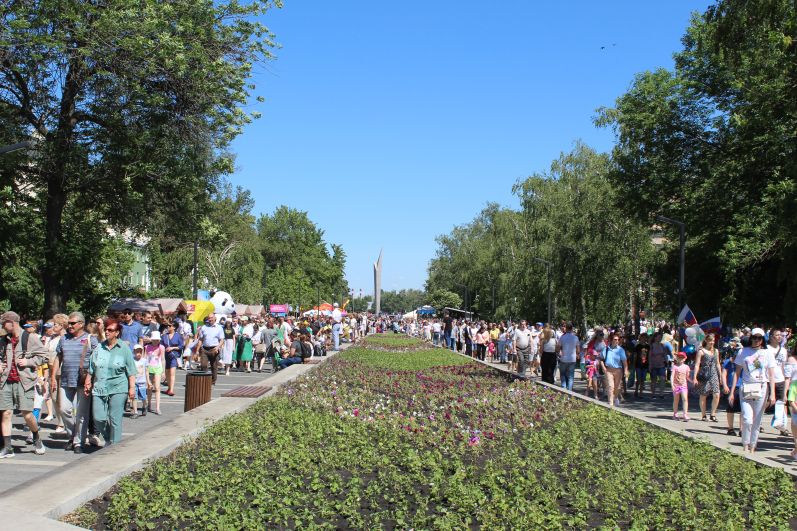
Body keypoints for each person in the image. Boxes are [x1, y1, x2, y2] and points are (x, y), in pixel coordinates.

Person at [0, 311, 48, 458]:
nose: (2, 326)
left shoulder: (30, 337)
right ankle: (8, 448)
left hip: (24, 381)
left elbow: (44, 356)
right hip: (6, 381)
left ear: (11, 322)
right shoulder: (3, 340)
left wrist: (28, 362)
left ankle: (36, 437)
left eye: (3, 323)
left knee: (27, 415)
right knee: (6, 413)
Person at [52, 312, 99, 453]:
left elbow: (97, 359)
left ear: (81, 324)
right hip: (66, 379)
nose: (70, 325)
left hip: (84, 380)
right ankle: (74, 435)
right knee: (64, 409)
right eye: (69, 323)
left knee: (81, 414)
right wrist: (53, 376)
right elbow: (58, 358)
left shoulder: (91, 339)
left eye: (73, 323)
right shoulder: (64, 339)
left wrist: (92, 378)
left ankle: (78, 442)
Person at [86, 319, 136, 446]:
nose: (107, 332)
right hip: (99, 387)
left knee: (115, 419)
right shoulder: (99, 347)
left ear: (117, 333)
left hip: (118, 387)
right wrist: (88, 381)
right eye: (106, 329)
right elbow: (91, 367)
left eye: (110, 330)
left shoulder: (124, 349)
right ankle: (109, 439)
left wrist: (132, 388)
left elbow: (131, 371)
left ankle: (115, 447)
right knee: (98, 418)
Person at [729, 328, 777, 453]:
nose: (756, 340)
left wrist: (773, 393)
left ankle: (753, 445)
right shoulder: (743, 351)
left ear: (762, 340)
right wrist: (732, 391)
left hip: (761, 387)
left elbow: (771, 374)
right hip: (746, 387)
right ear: (751, 338)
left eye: (759, 338)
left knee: (757, 419)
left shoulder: (767, 353)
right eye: (754, 338)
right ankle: (745, 443)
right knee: (747, 418)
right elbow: (737, 373)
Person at [693, 333, 722, 422]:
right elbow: (697, 364)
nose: (712, 342)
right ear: (706, 341)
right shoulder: (701, 351)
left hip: (714, 374)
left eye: (713, 340)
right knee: (703, 394)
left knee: (716, 394)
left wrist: (720, 376)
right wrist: (694, 377)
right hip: (705, 374)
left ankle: (713, 414)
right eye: (710, 340)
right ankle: (703, 415)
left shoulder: (716, 351)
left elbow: (718, 364)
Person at [767, 329, 789, 436]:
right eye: (777, 335)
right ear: (771, 336)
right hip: (768, 379)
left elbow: (784, 366)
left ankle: (781, 426)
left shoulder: (784, 350)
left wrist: (786, 380)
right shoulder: (766, 349)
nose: (779, 337)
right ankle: (758, 423)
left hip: (780, 379)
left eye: (780, 335)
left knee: (781, 402)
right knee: (766, 402)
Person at [721, 337, 743, 436]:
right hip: (730, 387)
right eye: (735, 351)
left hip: (742, 386)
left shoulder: (744, 362)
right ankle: (730, 428)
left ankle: (742, 429)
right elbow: (724, 374)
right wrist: (725, 385)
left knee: (743, 409)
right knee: (730, 408)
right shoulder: (728, 362)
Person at [600, 333, 628, 408]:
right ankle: (611, 403)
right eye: (615, 339)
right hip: (609, 370)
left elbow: (624, 361)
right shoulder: (606, 349)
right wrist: (604, 368)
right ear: (611, 340)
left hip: (618, 370)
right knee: (610, 386)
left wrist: (625, 370)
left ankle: (615, 398)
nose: (617, 341)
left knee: (617, 387)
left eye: (618, 340)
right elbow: (601, 359)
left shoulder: (620, 350)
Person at [198, 315, 225, 385]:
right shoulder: (204, 327)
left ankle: (213, 381)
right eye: (209, 318)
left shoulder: (219, 328)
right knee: (203, 365)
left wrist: (218, 347)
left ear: (215, 318)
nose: (210, 319)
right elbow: (201, 339)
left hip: (214, 349)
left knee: (214, 366)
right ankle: (204, 380)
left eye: (211, 318)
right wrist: (198, 349)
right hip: (205, 349)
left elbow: (222, 340)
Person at [160, 321, 182, 396]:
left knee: (172, 373)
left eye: (170, 326)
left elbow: (181, 346)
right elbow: (161, 345)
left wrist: (172, 348)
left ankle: (171, 390)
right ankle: (169, 388)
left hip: (174, 356)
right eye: (168, 326)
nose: (168, 327)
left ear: (174, 327)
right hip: (165, 357)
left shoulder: (178, 336)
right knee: (167, 374)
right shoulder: (164, 336)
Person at [145, 332, 164, 415]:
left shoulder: (161, 347)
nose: (156, 341)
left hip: (158, 368)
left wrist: (163, 371)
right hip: (149, 368)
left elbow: (163, 359)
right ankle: (148, 404)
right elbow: (145, 358)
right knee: (149, 387)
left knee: (157, 387)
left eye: (157, 340)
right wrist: (144, 370)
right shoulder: (147, 347)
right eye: (154, 340)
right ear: (151, 340)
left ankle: (157, 407)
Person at [783, 344, 797, 459]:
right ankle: (796, 443)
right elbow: (787, 378)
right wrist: (785, 393)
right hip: (794, 391)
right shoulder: (792, 359)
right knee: (794, 421)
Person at [557, 323, 580, 391]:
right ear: (572, 329)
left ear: (566, 328)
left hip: (564, 358)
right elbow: (578, 350)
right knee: (571, 376)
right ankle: (569, 391)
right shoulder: (575, 338)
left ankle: (563, 388)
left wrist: (559, 352)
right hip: (572, 359)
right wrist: (577, 354)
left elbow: (558, 348)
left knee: (563, 374)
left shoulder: (562, 337)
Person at [671, 351, 690, 421]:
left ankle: (685, 414)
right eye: (679, 357)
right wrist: (672, 385)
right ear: (677, 358)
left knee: (685, 399)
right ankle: (675, 414)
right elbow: (672, 376)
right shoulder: (675, 367)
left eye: (682, 357)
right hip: (676, 386)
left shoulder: (686, 367)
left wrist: (693, 381)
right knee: (676, 400)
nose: (681, 359)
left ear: (685, 359)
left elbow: (687, 377)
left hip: (684, 386)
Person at [648, 331, 668, 399]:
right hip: (654, 365)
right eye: (659, 337)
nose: (660, 338)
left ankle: (661, 394)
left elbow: (665, 354)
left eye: (661, 337)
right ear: (655, 338)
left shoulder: (662, 345)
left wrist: (667, 361)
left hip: (661, 365)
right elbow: (650, 356)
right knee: (654, 380)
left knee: (662, 379)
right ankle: (653, 394)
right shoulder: (652, 346)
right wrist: (650, 365)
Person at [131, 345, 148, 418]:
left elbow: (146, 371)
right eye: (137, 351)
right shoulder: (132, 360)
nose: (139, 353)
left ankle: (144, 406)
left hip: (142, 382)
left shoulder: (144, 361)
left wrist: (148, 381)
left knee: (143, 397)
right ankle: (135, 412)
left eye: (140, 352)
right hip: (134, 382)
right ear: (134, 352)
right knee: (134, 397)